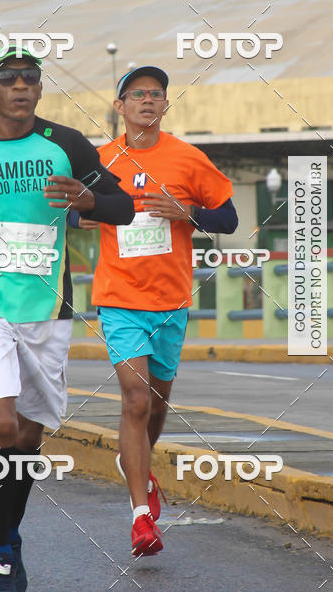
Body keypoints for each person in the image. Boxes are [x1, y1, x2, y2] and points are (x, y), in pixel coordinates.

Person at [0, 46, 134, 592]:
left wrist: (90, 197)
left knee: (28, 436)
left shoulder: (68, 144)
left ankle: (8, 529)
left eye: (31, 78)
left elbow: (122, 207)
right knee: (1, 424)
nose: (21, 87)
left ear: (40, 90)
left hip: (48, 311)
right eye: (8, 79)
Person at [75, 66, 238, 557]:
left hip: (171, 302)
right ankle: (140, 517)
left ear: (165, 105)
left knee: (158, 403)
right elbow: (70, 210)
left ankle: (137, 461)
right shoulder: (100, 161)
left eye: (156, 94)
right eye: (137, 94)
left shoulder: (188, 158)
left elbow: (228, 217)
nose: (148, 100)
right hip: (120, 298)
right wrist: (93, 211)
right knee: (135, 401)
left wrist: (187, 213)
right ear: (119, 106)